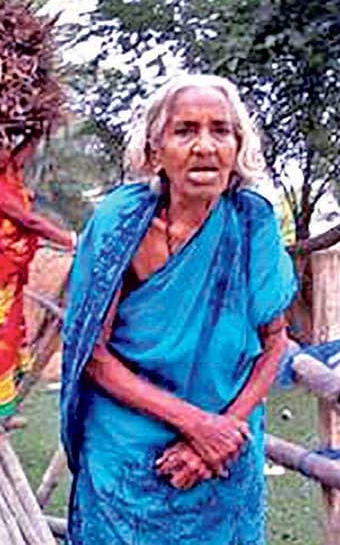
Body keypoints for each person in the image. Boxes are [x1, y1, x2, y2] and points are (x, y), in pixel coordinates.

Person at [60, 74, 297, 544]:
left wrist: (218, 436)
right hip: (128, 451)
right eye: (185, 130)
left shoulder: (252, 223)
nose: (205, 146)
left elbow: (275, 344)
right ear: (155, 151)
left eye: (220, 130)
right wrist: (196, 425)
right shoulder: (119, 225)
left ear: (238, 146)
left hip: (225, 449)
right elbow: (94, 356)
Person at [0, 139, 75, 445]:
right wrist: (71, 241)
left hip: (1, 278)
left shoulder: (1, 175)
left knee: (4, 344)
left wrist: (36, 130)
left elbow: (19, 158)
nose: (3, 154)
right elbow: (27, 220)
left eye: (7, 147)